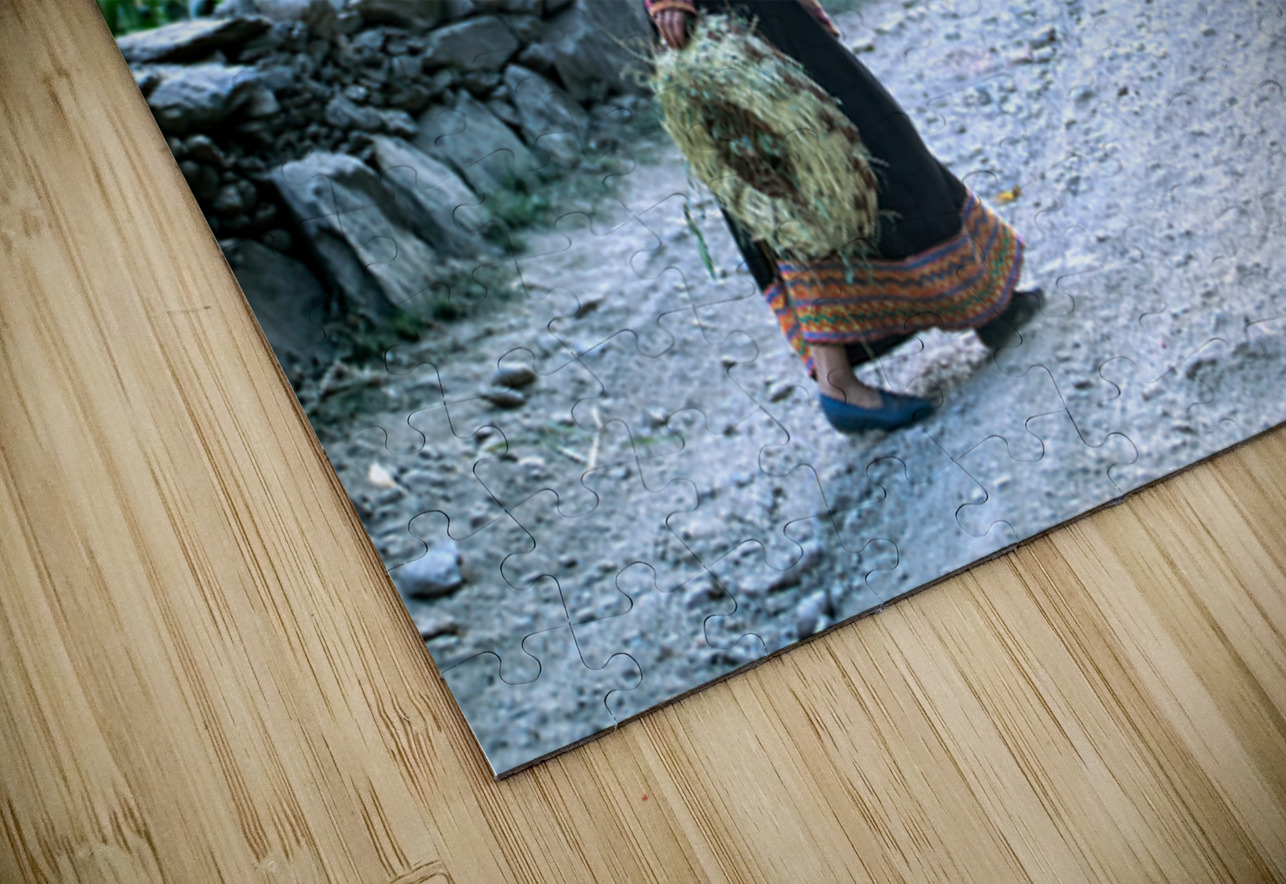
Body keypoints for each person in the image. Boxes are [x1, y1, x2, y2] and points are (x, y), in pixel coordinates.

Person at [643, 0, 1044, 433]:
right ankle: (840, 385)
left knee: (873, 153)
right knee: (800, 194)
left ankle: (981, 304)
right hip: (715, 17)